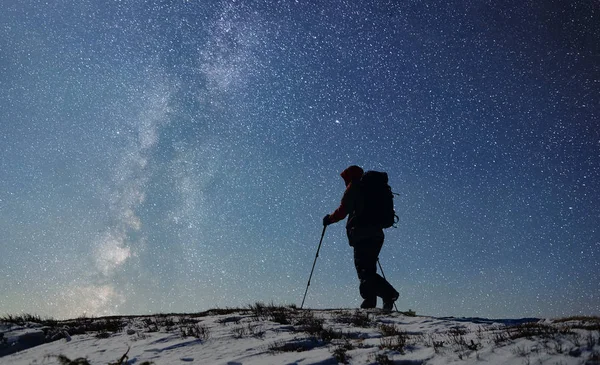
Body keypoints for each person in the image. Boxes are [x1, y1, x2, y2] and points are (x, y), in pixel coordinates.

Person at [323, 165, 399, 310]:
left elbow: (343, 210)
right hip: (376, 234)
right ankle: (371, 303)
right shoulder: (372, 189)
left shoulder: (355, 187)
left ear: (349, 176)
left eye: (345, 177)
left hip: (362, 234)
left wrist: (329, 219)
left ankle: (388, 294)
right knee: (368, 269)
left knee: (364, 271)